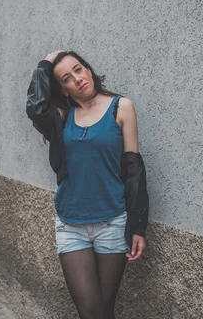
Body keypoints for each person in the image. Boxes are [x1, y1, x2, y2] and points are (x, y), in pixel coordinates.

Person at [26, 50, 149, 319]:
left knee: (104, 310)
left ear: (89, 70)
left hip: (112, 222)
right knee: (91, 311)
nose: (78, 78)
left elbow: (134, 169)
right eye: (67, 78)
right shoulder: (61, 116)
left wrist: (138, 225)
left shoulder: (121, 107)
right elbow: (35, 108)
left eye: (79, 69)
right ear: (64, 90)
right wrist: (44, 65)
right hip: (71, 224)